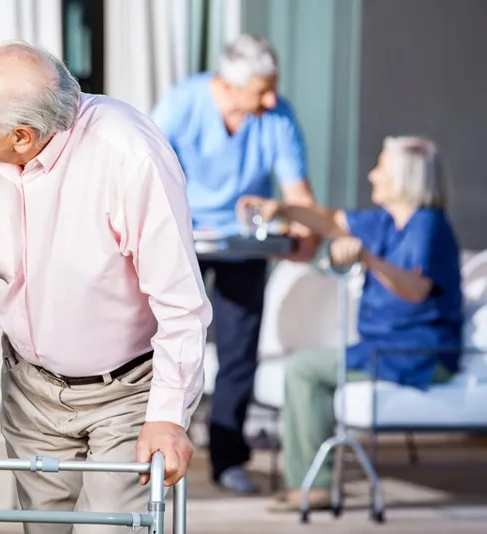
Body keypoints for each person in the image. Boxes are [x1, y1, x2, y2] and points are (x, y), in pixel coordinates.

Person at [0, 41, 212, 533]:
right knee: (40, 527)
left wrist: (167, 415)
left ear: (22, 137)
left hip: (127, 388)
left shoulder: (129, 155)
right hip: (30, 384)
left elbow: (180, 300)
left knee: (111, 527)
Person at [238, 136, 463, 511]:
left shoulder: (428, 227)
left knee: (305, 368)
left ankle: (317, 486)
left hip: (419, 353)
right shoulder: (385, 221)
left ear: (404, 177)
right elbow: (330, 220)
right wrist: (284, 210)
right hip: (382, 349)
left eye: (381, 168)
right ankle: (312, 481)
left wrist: (369, 260)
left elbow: (415, 290)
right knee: (306, 365)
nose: (372, 176)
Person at [149, 33, 319, 494]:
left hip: (242, 245)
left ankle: (226, 458)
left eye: (273, 87)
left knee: (238, 352)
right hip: (182, 237)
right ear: (227, 84)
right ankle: (145, 449)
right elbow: (144, 170)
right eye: (261, 89)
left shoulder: (277, 116)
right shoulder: (184, 102)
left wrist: (307, 231)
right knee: (155, 340)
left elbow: (297, 193)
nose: (271, 98)